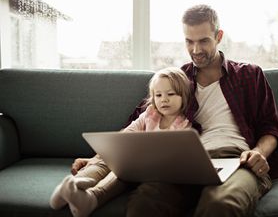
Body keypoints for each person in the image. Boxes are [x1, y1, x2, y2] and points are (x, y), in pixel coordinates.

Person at [72, 4, 278, 217]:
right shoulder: (178, 79)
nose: (196, 50)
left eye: (203, 41)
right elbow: (137, 125)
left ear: (219, 37)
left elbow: (270, 126)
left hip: (237, 161)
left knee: (220, 204)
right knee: (145, 201)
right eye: (189, 41)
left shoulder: (249, 74)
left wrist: (258, 152)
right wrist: (98, 159)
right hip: (183, 165)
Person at [49, 67, 193, 217]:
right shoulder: (150, 114)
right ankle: (69, 188)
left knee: (125, 167)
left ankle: (92, 197)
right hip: (132, 157)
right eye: (158, 95)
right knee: (105, 160)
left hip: (148, 170)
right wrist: (109, 152)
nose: (164, 99)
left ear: (183, 96)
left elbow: (172, 156)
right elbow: (127, 133)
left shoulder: (183, 125)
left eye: (170, 94)